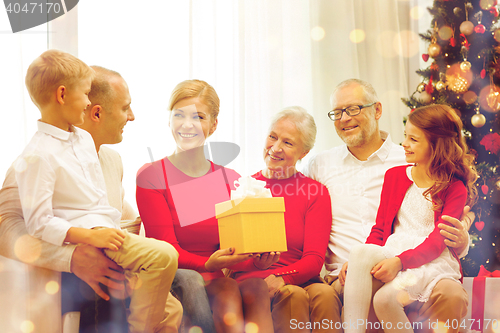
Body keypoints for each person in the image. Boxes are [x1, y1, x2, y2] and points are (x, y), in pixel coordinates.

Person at [13, 49, 177, 333]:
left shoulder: (95, 149)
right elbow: (18, 224)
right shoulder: (34, 158)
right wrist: (76, 253)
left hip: (108, 239)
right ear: (64, 96)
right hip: (73, 265)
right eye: (126, 108)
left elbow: (106, 206)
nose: (133, 117)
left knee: (172, 308)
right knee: (164, 257)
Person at [302, 79, 473, 333]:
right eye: (337, 112)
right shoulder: (320, 165)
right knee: (361, 259)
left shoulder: (408, 161)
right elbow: (379, 226)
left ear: (377, 110)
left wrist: (462, 240)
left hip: (414, 260)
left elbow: (450, 228)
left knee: (441, 295)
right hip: (360, 266)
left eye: (353, 109)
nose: (344, 118)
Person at [136, 79, 274, 333]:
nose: (187, 124)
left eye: (198, 117)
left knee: (256, 286)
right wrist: (207, 265)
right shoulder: (152, 176)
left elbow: (232, 253)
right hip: (179, 279)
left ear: (213, 124)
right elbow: (167, 250)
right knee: (227, 288)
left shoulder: (229, 179)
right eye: (179, 115)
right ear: (169, 120)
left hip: (217, 277)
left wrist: (257, 263)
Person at [343, 104, 477, 333]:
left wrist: (401, 262)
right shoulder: (394, 176)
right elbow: (379, 228)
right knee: (358, 253)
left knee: (385, 300)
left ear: (436, 146)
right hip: (394, 249)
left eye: (413, 139)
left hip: (432, 260)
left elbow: (437, 242)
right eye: (406, 136)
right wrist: (360, 263)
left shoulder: (454, 188)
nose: (404, 143)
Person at [231, 106, 336, 333]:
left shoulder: (315, 192)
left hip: (299, 276)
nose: (275, 148)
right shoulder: (244, 188)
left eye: (287, 143)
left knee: (326, 294)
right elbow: (228, 253)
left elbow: (314, 258)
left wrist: (281, 278)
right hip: (253, 278)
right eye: (272, 137)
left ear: (304, 153)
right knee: (293, 295)